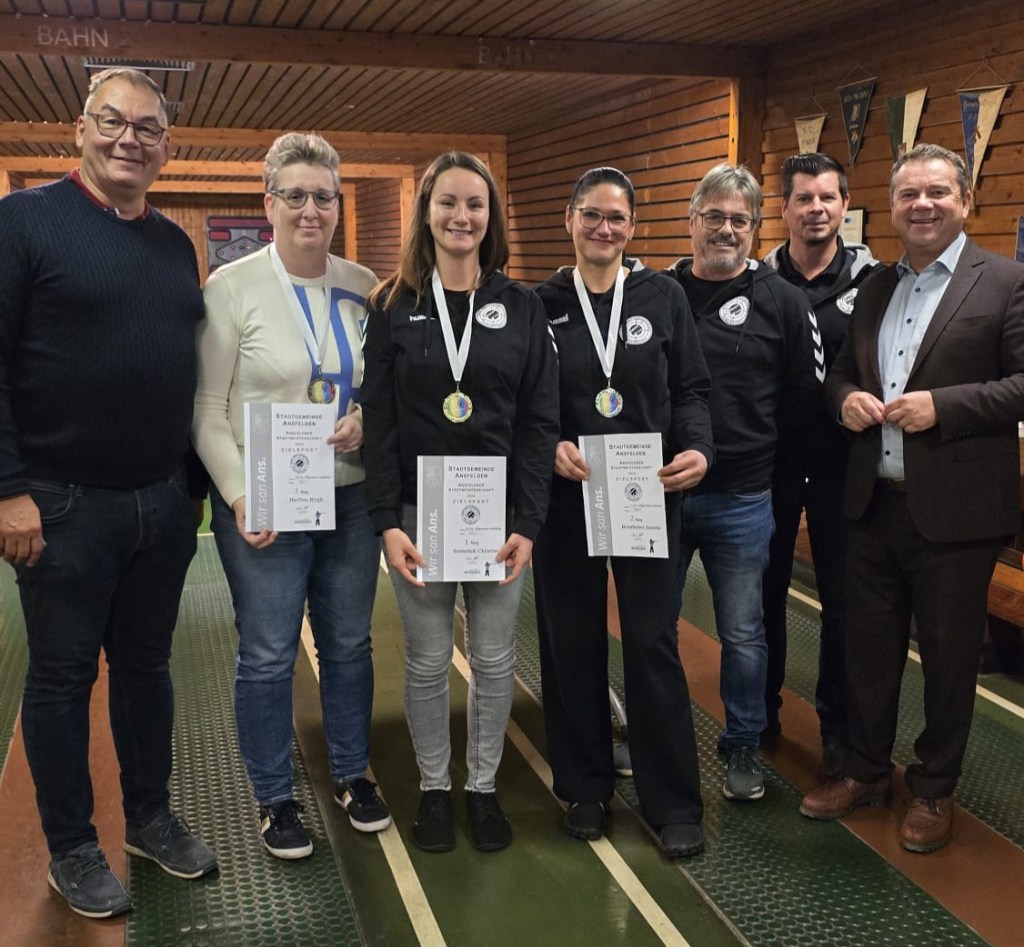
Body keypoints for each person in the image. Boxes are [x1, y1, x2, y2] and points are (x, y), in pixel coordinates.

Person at [0, 67, 216, 919]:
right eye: (113, 121)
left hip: (159, 503)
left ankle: (150, 817)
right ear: (80, 129)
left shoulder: (172, 244)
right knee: (61, 678)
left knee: (146, 669)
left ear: (166, 148)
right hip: (61, 504)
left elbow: (184, 371)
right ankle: (72, 847)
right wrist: (8, 489)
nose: (130, 138)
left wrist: (188, 488)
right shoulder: (23, 223)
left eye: (148, 128)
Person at [799, 143, 1024, 853]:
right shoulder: (875, 286)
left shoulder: (1006, 282)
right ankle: (867, 769)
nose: (922, 205)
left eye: (937, 192)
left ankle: (933, 787)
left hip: (957, 513)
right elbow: (839, 372)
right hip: (872, 502)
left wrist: (943, 407)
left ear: (965, 201)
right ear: (892, 206)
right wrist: (846, 401)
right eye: (908, 194)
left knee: (950, 659)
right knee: (868, 651)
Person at [193, 133, 390, 860]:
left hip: (351, 499)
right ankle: (274, 794)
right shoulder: (230, 287)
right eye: (296, 195)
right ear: (269, 202)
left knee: (349, 644)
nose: (311, 209)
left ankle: (352, 773)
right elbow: (205, 409)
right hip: (267, 499)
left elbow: (383, 386)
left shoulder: (365, 285)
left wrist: (366, 417)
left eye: (324, 197)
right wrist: (238, 493)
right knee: (270, 652)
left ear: (338, 205)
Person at [360, 152, 559, 853]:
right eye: (447, 202)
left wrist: (528, 521)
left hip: (497, 519)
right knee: (425, 660)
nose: (461, 216)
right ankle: (434, 787)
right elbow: (379, 419)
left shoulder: (522, 306)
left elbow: (539, 423)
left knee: (496, 658)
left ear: (491, 216)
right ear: (426, 213)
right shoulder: (392, 306)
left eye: (475, 204)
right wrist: (386, 521)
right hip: (419, 515)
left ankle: (481, 785)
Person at [532, 167, 714, 858]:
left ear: (633, 227)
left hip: (647, 492)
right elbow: (525, 398)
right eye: (591, 214)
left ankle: (674, 801)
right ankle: (585, 785)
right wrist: (549, 443)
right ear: (569, 220)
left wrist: (697, 448)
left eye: (616, 217)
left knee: (650, 639)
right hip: (567, 495)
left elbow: (691, 389)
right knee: (570, 638)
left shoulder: (663, 297)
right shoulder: (542, 303)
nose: (603, 228)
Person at [665, 162, 820, 802]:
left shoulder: (783, 301)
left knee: (744, 633)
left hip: (742, 497)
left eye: (739, 220)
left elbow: (804, 399)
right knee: (652, 626)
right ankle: (656, 733)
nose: (725, 230)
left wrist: (769, 473)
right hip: (663, 494)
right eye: (714, 217)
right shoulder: (655, 293)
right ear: (692, 220)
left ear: (755, 228)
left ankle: (742, 744)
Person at [760, 153, 881, 775]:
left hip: (844, 468)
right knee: (763, 596)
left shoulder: (875, 283)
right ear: (783, 207)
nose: (816, 209)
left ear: (844, 205)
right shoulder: (756, 283)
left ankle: (836, 724)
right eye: (803, 198)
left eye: (827, 198)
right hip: (770, 466)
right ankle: (760, 711)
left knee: (843, 602)